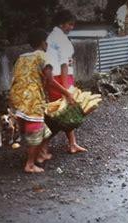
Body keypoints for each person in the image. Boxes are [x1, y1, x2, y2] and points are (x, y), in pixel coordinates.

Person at [9, 29, 76, 173]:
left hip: (17, 96)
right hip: (31, 98)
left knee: (40, 128)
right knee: (36, 130)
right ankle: (30, 164)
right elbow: (50, 81)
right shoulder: (44, 57)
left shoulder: (22, 57)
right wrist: (67, 94)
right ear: (44, 43)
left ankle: (41, 155)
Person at [46, 9, 87, 154]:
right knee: (60, 115)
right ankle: (41, 146)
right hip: (60, 78)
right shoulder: (59, 38)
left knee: (66, 113)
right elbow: (63, 64)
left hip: (61, 76)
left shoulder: (54, 36)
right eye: (69, 24)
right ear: (61, 24)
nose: (72, 27)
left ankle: (72, 143)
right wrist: (65, 90)